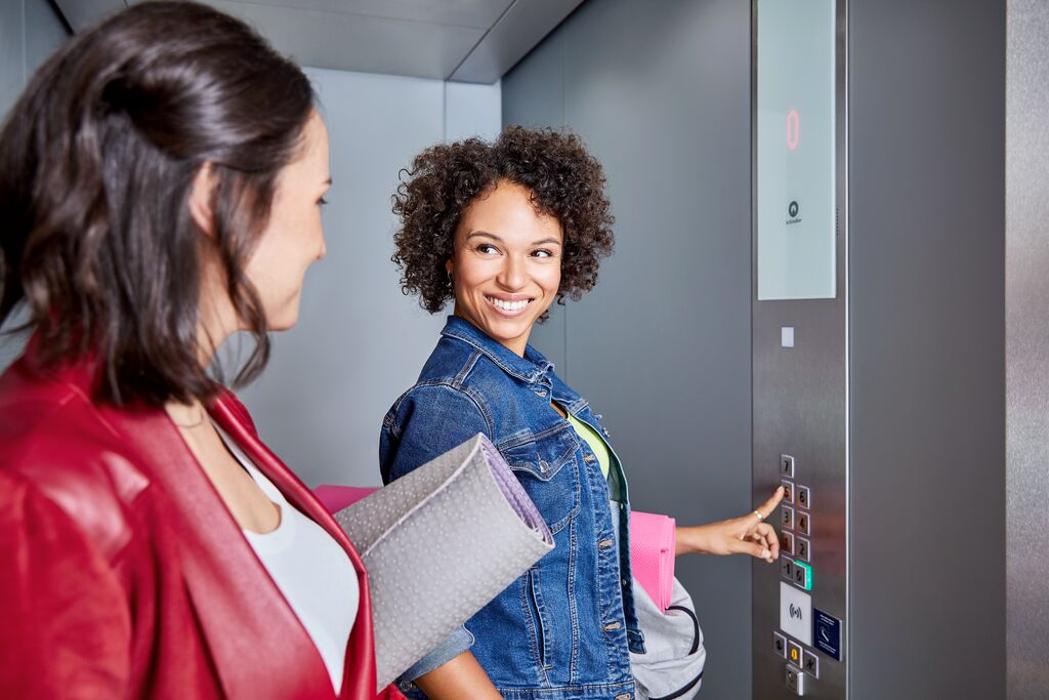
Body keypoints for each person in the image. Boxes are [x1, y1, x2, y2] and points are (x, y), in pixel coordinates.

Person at [0, 3, 497, 698]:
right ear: (218, 196)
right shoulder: (39, 485)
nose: (322, 244)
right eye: (317, 200)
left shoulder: (213, 408)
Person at [381, 126, 785, 698]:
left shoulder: (530, 379)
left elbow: (555, 538)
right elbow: (413, 610)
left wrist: (700, 539)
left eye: (540, 253)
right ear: (448, 256)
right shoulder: (456, 401)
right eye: (487, 247)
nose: (515, 278)